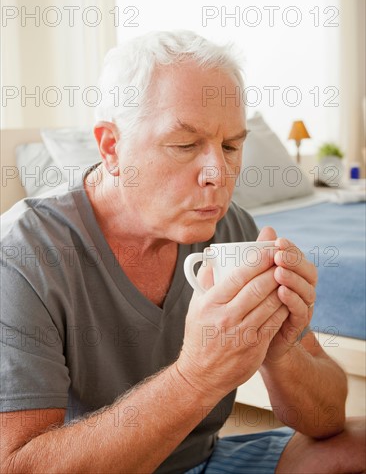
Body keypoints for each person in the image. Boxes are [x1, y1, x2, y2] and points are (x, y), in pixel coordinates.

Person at [0, 31, 364, 474]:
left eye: (231, 145)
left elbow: (325, 421)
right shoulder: (23, 256)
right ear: (112, 147)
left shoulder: (231, 231)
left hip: (205, 461)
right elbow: (18, 465)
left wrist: (282, 349)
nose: (219, 172)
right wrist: (196, 376)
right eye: (185, 145)